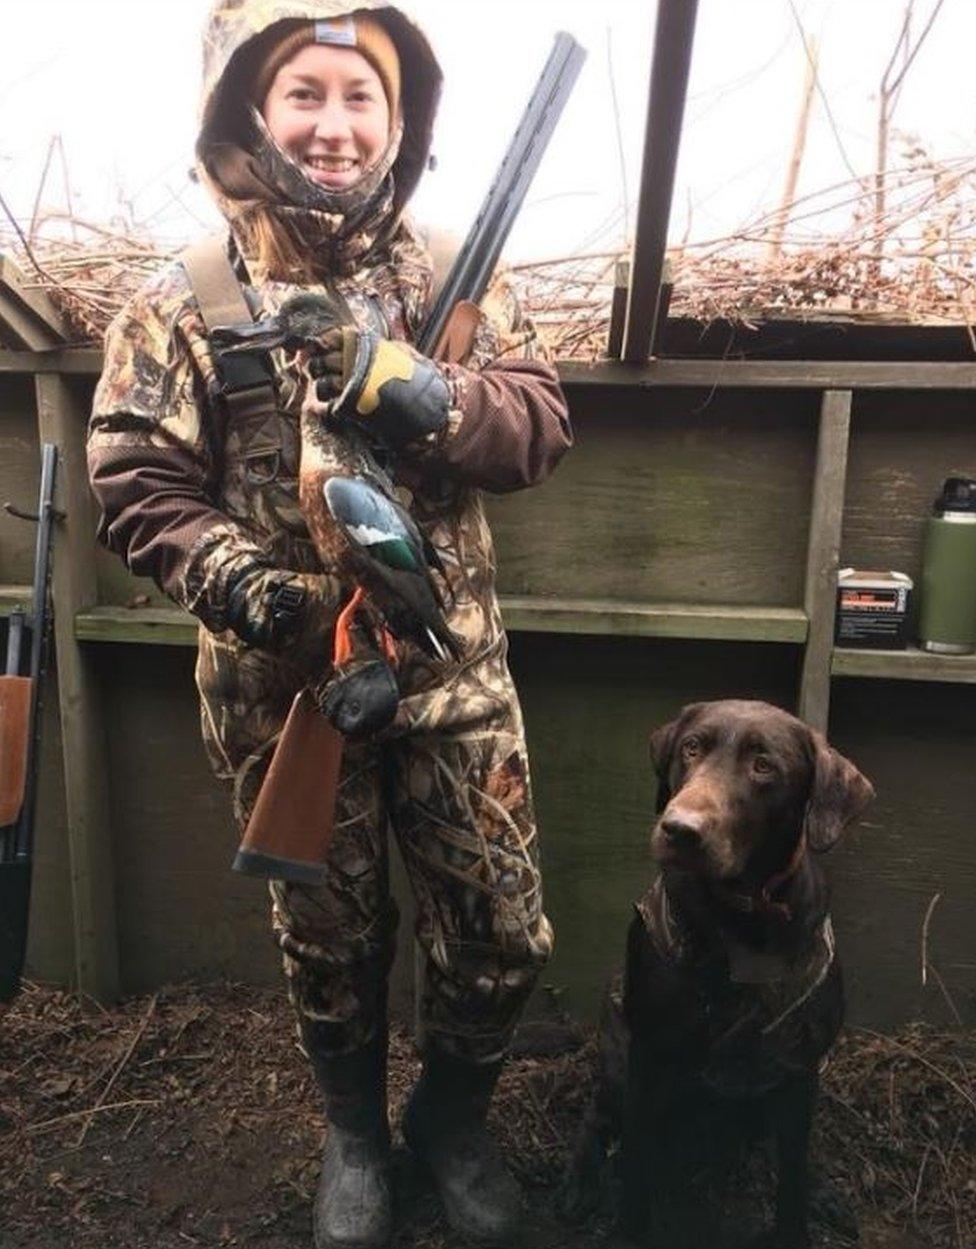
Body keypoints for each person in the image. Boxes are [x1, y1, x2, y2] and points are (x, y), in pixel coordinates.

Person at [87, 3, 572, 1247]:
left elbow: (534, 426)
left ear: (399, 122)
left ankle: (450, 1124)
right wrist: (266, 596)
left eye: (366, 99)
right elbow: (137, 479)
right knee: (328, 938)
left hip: (453, 678)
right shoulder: (184, 298)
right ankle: (356, 1136)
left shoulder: (449, 272)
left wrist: (406, 383)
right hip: (281, 684)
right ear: (248, 106)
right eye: (306, 91)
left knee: (502, 933)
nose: (337, 123)